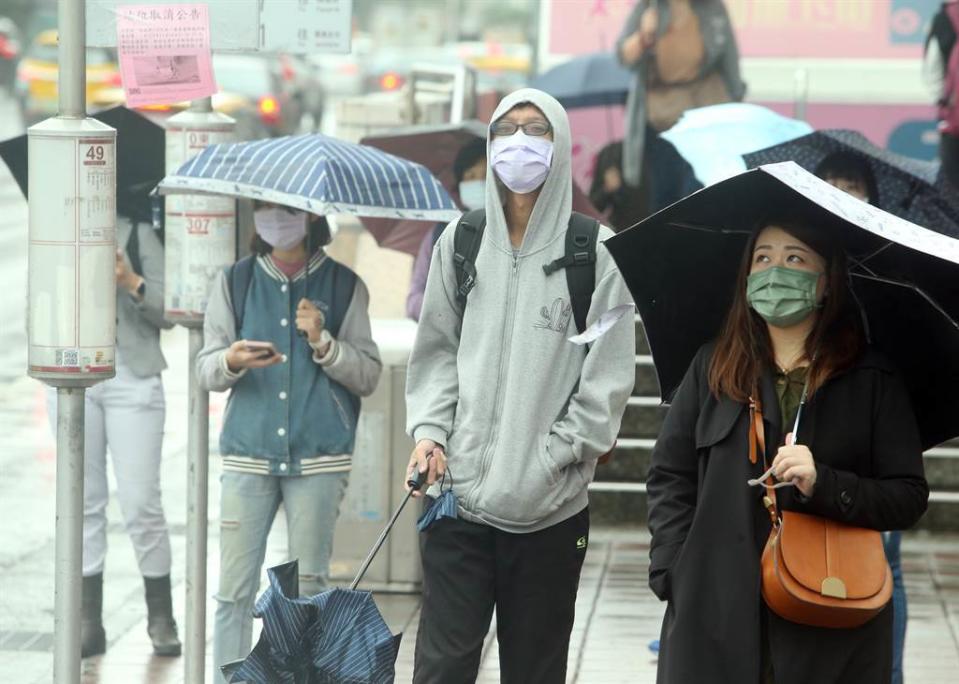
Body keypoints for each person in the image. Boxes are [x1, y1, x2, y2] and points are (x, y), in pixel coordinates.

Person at [404, 88, 635, 683]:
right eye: (507, 130)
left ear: (558, 147)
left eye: (536, 130)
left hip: (548, 515)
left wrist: (551, 459)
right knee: (442, 668)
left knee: (534, 671)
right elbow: (436, 353)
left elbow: (606, 380)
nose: (519, 143)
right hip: (457, 501)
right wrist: (430, 433)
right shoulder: (461, 241)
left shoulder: (595, 253)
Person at [646, 217, 929, 683]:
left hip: (828, 614)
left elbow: (907, 496)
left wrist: (826, 483)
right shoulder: (713, 368)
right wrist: (674, 569)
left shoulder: (872, 378)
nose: (775, 271)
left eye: (794, 259)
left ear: (825, 283)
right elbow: (670, 475)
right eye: (763, 259)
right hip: (714, 611)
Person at [196, 202, 382, 682]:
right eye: (264, 209)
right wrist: (232, 359)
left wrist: (324, 343)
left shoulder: (344, 286)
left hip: (320, 456)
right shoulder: (234, 281)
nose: (275, 218)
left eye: (287, 210)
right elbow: (206, 367)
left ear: (310, 217)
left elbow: (368, 374)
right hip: (247, 454)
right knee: (233, 591)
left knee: (309, 587)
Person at [46, 214, 181, 659]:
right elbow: (39, 301)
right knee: (82, 501)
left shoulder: (138, 233)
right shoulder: (56, 230)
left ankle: (160, 615)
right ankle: (87, 621)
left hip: (132, 376)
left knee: (142, 500)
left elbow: (168, 311)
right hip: (73, 372)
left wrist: (129, 280)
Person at [814, 153, 908, 684]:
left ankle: (887, 672)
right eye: (832, 184)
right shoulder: (806, 258)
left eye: (854, 186)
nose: (843, 194)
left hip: (881, 431)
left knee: (882, 562)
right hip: (823, 432)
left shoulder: (890, 261)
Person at [615, 0, 745, 187]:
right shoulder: (648, 7)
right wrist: (644, 36)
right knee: (665, 192)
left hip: (705, 115)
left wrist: (736, 105)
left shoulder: (713, 7)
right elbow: (623, 58)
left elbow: (729, 61)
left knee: (701, 189)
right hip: (661, 118)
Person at [407, 138, 487, 321]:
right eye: (471, 176)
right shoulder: (442, 234)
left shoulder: (513, 233)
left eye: (486, 176)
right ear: (459, 184)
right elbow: (414, 299)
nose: (480, 182)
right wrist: (443, 309)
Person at [924, 1, 959, 189]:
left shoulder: (945, 18)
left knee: (952, 194)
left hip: (954, 127)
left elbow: (932, 71)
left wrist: (945, 104)